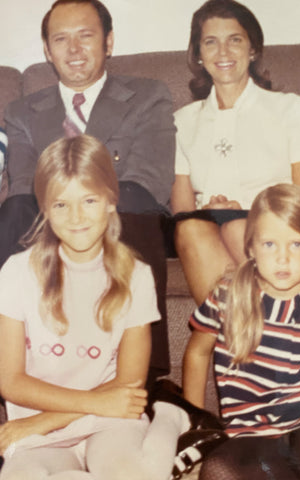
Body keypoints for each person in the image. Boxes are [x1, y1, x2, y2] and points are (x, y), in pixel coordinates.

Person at [2, 0, 176, 383]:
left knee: (131, 203)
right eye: (61, 39)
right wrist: (68, 212)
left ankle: (143, 379)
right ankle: (9, 369)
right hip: (51, 214)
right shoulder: (22, 112)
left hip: (126, 211)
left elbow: (149, 179)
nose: (74, 50)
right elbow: (24, 185)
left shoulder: (148, 96)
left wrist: (86, 205)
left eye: (86, 36)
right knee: (13, 210)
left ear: (108, 42)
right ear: (47, 50)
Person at [0, 134, 190, 480]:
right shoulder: (16, 272)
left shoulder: (137, 275)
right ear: (44, 207)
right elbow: (11, 382)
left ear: (111, 200)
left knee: (132, 474)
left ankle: (169, 418)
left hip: (107, 420)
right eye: (61, 204)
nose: (76, 217)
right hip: (40, 426)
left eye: (89, 200)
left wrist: (50, 419)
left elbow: (129, 383)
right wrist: (55, 418)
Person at [181, 183, 300, 479]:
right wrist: (193, 419)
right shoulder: (228, 295)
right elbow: (198, 352)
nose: (282, 258)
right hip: (250, 426)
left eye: (296, 244)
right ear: (250, 248)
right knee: (218, 470)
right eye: (269, 244)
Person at [171, 0, 300, 306]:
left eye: (235, 40)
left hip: (277, 232)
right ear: (198, 55)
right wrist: (212, 214)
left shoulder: (290, 108)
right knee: (190, 229)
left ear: (252, 49)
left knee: (238, 226)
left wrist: (249, 213)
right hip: (206, 235)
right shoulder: (182, 121)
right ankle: (248, 336)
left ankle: (254, 332)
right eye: (211, 43)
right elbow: (181, 211)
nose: (223, 53)